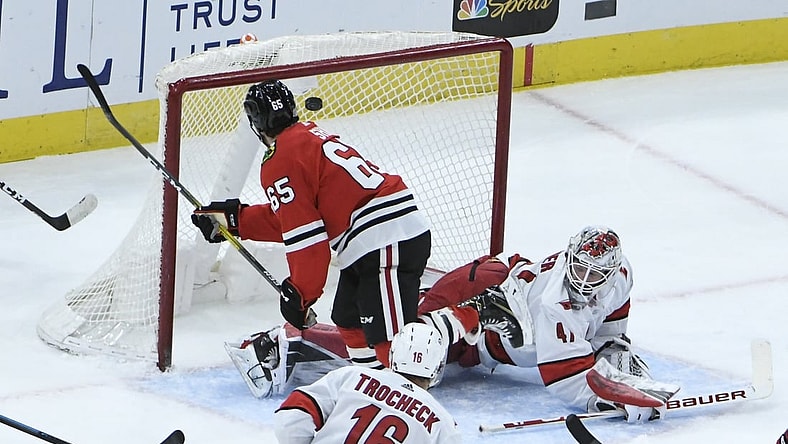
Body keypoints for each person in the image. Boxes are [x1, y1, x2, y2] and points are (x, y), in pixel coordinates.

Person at [191, 80, 512, 398]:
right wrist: (237, 220)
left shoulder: (280, 159)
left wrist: (301, 294)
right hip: (375, 240)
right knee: (349, 318)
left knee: (394, 346)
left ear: (256, 123)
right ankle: (375, 391)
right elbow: (296, 219)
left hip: (384, 241)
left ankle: (476, 312)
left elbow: (307, 238)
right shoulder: (306, 137)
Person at [235, 225, 680, 422]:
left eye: (594, 274)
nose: (583, 279)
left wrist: (615, 355)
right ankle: (282, 342)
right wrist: (608, 398)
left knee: (426, 353)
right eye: (578, 267)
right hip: (482, 297)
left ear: (613, 271)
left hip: (495, 317)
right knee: (405, 353)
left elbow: (609, 329)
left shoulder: (621, 276)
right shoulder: (555, 303)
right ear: (569, 256)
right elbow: (566, 381)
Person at [273, 322, 461, 443]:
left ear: (393, 354)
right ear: (438, 366)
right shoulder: (442, 423)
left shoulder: (350, 376)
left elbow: (292, 418)